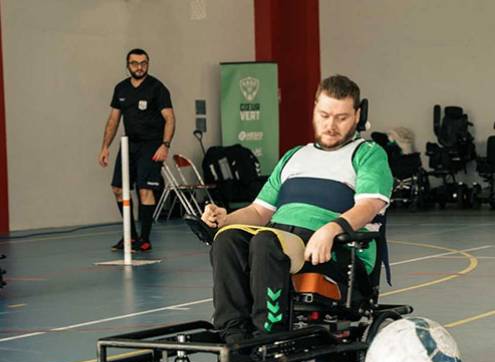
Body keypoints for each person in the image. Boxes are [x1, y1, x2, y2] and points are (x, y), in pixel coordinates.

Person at [201, 75, 393, 343]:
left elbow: (369, 205)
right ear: (314, 110)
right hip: (280, 241)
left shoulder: (368, 154)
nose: (331, 125)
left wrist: (331, 229)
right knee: (228, 238)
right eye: (324, 115)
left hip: (335, 251)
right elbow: (259, 212)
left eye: (342, 117)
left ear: (357, 115)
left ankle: (267, 335)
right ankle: (233, 333)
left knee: (266, 242)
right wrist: (224, 218)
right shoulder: (294, 156)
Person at [98, 48, 175, 252]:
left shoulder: (157, 88)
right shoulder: (121, 89)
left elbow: (169, 118)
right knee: (118, 189)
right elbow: (113, 120)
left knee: (145, 190)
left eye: (143, 63)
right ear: (128, 65)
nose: (139, 67)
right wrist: (105, 147)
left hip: (151, 145)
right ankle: (130, 236)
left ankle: (145, 238)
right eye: (134, 63)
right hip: (128, 145)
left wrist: (165, 145)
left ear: (147, 64)